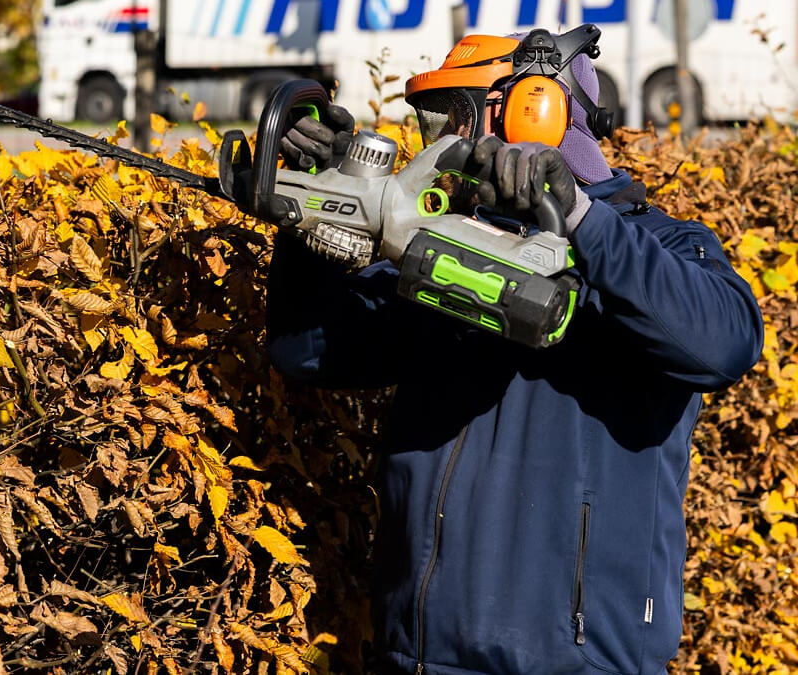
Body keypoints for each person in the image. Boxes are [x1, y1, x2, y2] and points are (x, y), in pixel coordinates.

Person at [268, 25, 763, 675]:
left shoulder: (661, 247)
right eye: (432, 121)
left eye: (456, 118)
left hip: (586, 662)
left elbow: (725, 342)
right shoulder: (443, 246)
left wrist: (584, 220)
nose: (438, 143)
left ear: (538, 111)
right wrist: (313, 217)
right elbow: (308, 351)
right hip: (419, 656)